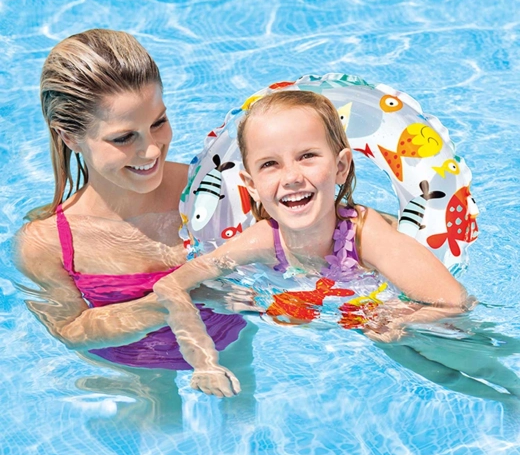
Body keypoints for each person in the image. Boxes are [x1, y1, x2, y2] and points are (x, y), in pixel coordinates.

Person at [153, 89, 471, 397]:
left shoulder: (367, 236)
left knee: (465, 361)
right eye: (269, 164)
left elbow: (456, 303)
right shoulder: (264, 239)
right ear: (251, 185)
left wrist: (403, 320)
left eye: (307, 156)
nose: (291, 177)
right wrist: (204, 361)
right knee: (429, 370)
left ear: (340, 167)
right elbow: (172, 285)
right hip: (350, 331)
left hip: (419, 326)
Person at [14, 29, 251, 404]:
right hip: (134, 371)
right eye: (124, 138)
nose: (152, 150)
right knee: (154, 428)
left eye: (158, 122)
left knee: (244, 421)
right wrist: (174, 299)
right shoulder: (47, 242)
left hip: (229, 345)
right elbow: (69, 329)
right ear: (70, 137)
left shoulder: (213, 190)